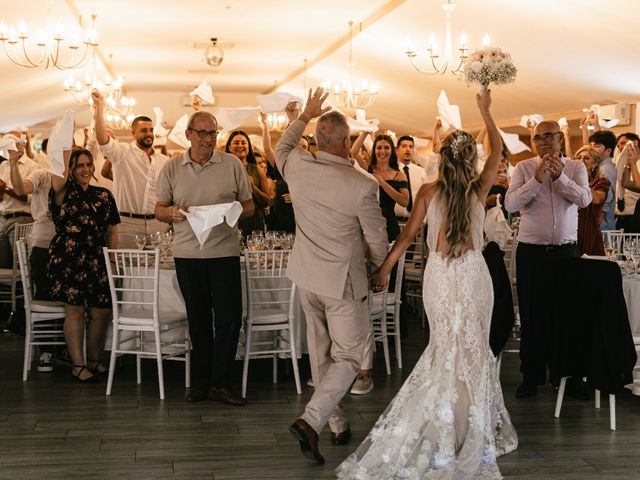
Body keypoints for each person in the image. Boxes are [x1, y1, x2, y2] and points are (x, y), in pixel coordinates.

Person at [337, 88, 517, 478]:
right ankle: (465, 432)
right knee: (470, 352)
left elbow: (404, 238)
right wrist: (485, 111)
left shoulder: (428, 191)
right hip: (471, 276)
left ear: (441, 157)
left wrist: (384, 269)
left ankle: (449, 428)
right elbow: (499, 150)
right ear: (472, 159)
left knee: (445, 351)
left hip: (441, 276)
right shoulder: (478, 190)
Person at [275, 88, 388, 465]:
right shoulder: (362, 185)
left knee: (321, 351)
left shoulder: (297, 166)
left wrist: (304, 114)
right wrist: (378, 268)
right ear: (346, 141)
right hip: (342, 283)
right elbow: (377, 238)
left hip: (306, 277)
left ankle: (336, 424)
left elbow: (282, 147)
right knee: (351, 356)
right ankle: (310, 420)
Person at [155, 110, 254, 405]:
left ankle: (220, 383)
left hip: (224, 252)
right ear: (188, 134)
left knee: (229, 318)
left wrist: (233, 210)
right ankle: (200, 383)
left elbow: (249, 206)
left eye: (213, 133)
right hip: (187, 253)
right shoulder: (172, 167)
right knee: (197, 320)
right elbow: (159, 209)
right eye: (202, 133)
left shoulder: (232, 164)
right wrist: (171, 213)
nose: (208, 139)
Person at [505, 121, 592, 398]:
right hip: (532, 253)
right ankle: (531, 377)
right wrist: (537, 179)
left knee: (568, 316)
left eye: (548, 136)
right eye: (537, 138)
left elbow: (585, 200)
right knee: (533, 315)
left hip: (566, 253)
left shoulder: (576, 168)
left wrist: (559, 179)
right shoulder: (523, 169)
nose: (542, 142)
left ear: (560, 138)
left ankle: (566, 377)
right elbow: (510, 204)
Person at [48, 148, 120, 383]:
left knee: (102, 311)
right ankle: (77, 365)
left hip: (98, 258)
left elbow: (113, 228)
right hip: (69, 258)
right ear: (70, 169)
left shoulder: (104, 195)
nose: (86, 169)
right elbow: (57, 177)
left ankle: (94, 359)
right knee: (75, 311)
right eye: (80, 165)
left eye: (88, 164)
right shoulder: (62, 194)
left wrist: (111, 259)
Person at [92, 89, 169, 248]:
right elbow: (102, 139)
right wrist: (99, 107)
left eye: (151, 130)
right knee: (128, 269)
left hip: (158, 224)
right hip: (128, 224)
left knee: (159, 270)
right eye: (144, 130)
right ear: (133, 132)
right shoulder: (123, 152)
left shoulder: (164, 160)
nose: (149, 134)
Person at [9, 144, 57, 372]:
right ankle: (47, 350)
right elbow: (20, 189)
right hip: (44, 244)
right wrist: (12, 163)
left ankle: (70, 346)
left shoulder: (78, 180)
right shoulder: (42, 175)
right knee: (46, 293)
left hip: (72, 247)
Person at [0, 140, 40, 269]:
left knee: (21, 264)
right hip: (2, 217)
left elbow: (30, 199)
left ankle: (22, 290)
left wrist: (6, 189)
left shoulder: (33, 167)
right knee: (2, 264)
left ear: (22, 146)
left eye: (16, 143)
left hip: (21, 219)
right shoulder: (3, 165)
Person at [225, 130, 273, 236]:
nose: (240, 145)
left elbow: (267, 201)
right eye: (236, 143)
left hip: (253, 220)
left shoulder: (257, 170)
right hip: (230, 220)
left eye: (243, 142)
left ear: (248, 146)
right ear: (229, 147)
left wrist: (253, 188)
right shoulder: (222, 170)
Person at [574, 146, 610, 255]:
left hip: (589, 232)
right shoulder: (569, 182)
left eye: (586, 158)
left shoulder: (601, 183)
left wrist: (581, 181)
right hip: (569, 231)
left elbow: (597, 199)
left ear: (594, 164)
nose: (581, 161)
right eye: (578, 157)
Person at [394, 135, 427, 222]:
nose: (408, 149)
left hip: (416, 221)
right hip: (395, 220)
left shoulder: (421, 172)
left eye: (411, 147)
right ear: (397, 150)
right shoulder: (392, 171)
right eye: (404, 146)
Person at [588, 130, 617, 231]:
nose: (591, 149)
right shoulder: (600, 166)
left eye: (596, 146)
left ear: (608, 151)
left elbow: (607, 199)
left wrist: (597, 222)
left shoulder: (605, 168)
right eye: (590, 145)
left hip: (603, 225)